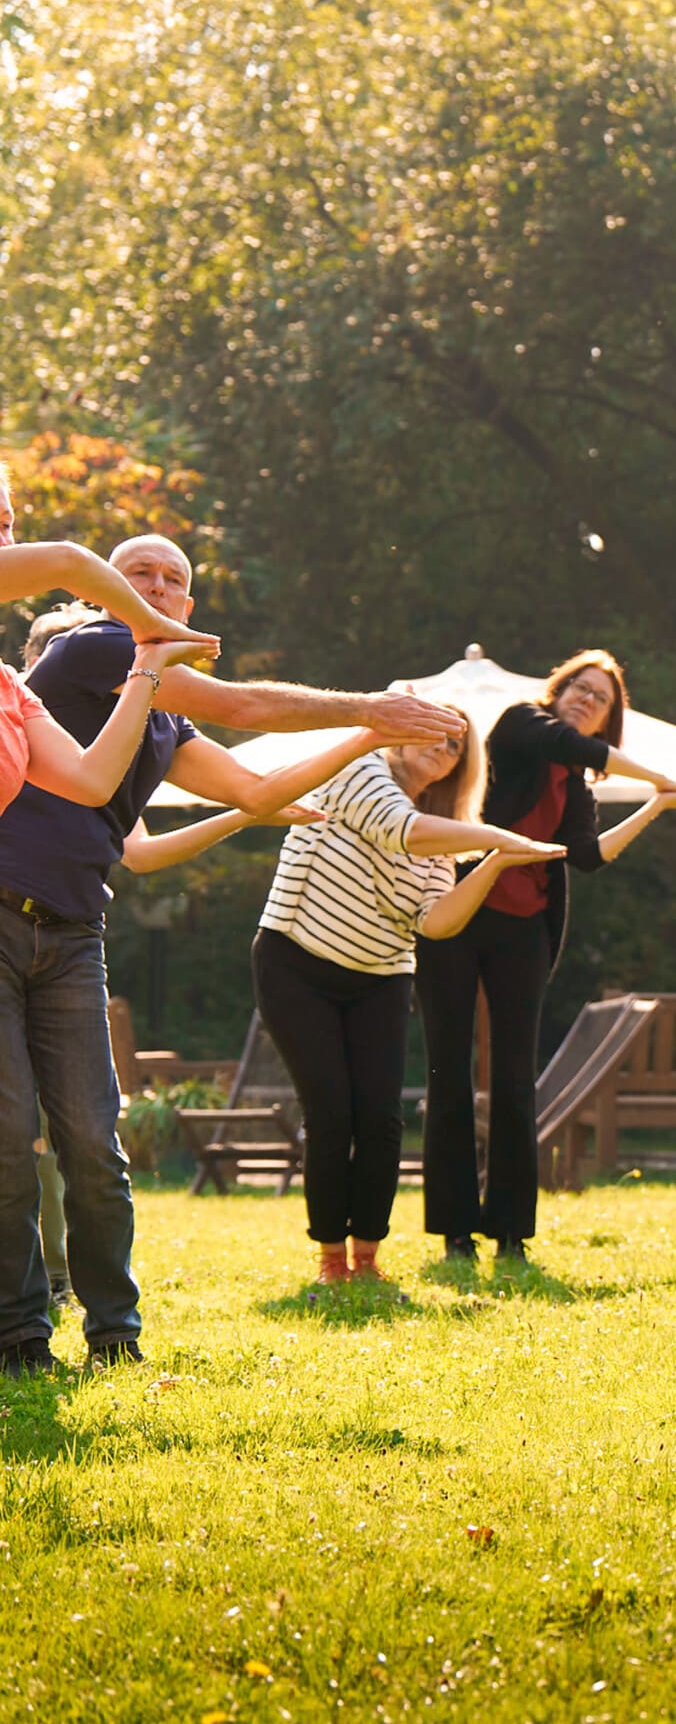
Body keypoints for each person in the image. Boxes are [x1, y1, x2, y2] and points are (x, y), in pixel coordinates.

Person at [0, 525, 463, 1378]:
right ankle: (22, 1334)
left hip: (72, 931)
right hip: (3, 913)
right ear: (107, 588)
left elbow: (252, 787)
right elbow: (245, 707)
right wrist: (368, 708)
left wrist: (365, 740)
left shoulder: (160, 710)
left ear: (189, 603)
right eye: (136, 571)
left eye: (173, 579)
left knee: (94, 1143)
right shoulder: (88, 648)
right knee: (9, 1133)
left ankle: (114, 1333)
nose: (156, 585)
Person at [417, 650, 676, 1265]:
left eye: (600, 697)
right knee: (448, 1067)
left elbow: (584, 855)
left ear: (608, 717)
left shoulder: (575, 785)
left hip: (525, 930)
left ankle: (510, 1233)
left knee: (513, 1079)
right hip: (457, 914)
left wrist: (656, 803)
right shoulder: (519, 725)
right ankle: (454, 1231)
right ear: (557, 693)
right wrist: (657, 775)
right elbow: (573, 746)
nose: (586, 698)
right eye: (578, 687)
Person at [254, 727, 567, 1283]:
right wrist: (497, 834)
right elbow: (402, 829)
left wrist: (493, 861)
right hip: (297, 962)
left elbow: (436, 921)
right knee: (331, 1112)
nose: (442, 747)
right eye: (433, 733)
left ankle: (368, 1259)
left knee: (380, 1117)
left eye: (455, 747)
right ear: (399, 737)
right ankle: (331, 1261)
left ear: (456, 769)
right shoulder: (358, 769)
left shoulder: (442, 846)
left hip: (381, 976)